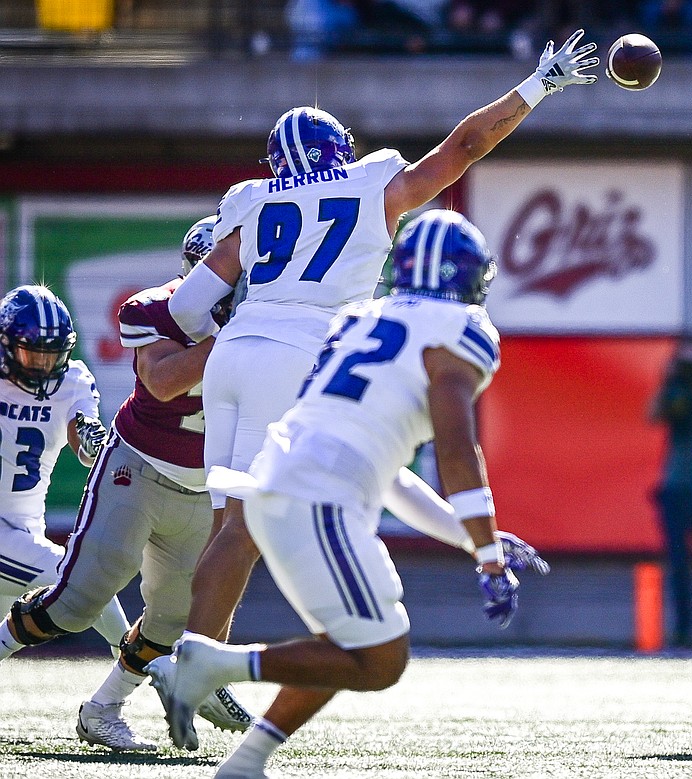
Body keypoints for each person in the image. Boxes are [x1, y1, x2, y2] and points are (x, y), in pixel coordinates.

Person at [165, 32, 596, 676]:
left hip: (233, 354)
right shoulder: (370, 185)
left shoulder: (254, 201)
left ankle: (194, 663)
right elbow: (464, 147)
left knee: (230, 525)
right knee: (255, 522)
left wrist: (240, 328)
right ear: (340, 150)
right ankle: (195, 666)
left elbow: (186, 309)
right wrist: (536, 87)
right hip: (299, 353)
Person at [147, 209, 545, 777]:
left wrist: (475, 538)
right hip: (319, 498)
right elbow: (458, 449)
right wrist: (486, 558)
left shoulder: (359, 318)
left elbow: (392, 476)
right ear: (471, 277)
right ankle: (211, 663)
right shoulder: (463, 330)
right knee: (381, 657)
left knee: (347, 642)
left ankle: (247, 759)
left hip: (282, 484)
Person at [0, 221, 255, 751]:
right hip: (138, 468)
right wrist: (234, 337)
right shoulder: (154, 310)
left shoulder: (265, 323)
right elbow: (162, 383)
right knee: (76, 600)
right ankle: (173, 675)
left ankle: (106, 708)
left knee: (168, 619)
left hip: (198, 486)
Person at [0, 286, 129, 659]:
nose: (41, 366)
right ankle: (146, 667)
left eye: (50, 356)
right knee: (83, 584)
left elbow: (84, 443)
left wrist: (89, 436)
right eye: (31, 354)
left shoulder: (71, 380)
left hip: (24, 530)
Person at [648, 335, 692, 647]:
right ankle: (683, 631)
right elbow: (654, 412)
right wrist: (671, 377)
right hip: (675, 489)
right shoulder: (674, 392)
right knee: (678, 566)